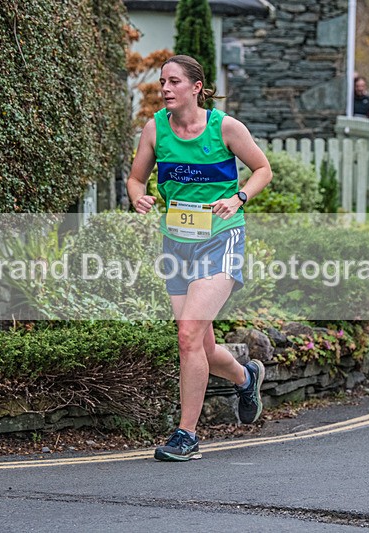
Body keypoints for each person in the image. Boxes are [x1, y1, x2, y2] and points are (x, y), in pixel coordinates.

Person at [127, 55, 273, 462]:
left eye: (174, 81)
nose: (165, 89)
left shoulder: (224, 127)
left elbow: (263, 169)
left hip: (221, 239)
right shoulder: (155, 130)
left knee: (188, 335)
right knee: (200, 345)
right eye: (162, 82)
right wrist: (138, 196)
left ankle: (187, 435)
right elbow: (136, 177)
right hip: (176, 243)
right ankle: (246, 378)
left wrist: (238, 196)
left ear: (196, 87)